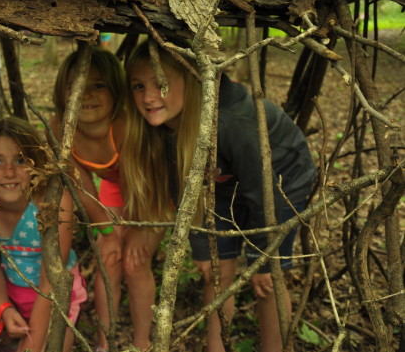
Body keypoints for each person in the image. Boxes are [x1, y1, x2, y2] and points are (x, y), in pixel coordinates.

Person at [123, 41, 316, 352]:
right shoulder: (166, 127)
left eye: (161, 84)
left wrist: (264, 259)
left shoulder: (235, 123)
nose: (148, 97)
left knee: (268, 281)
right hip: (221, 183)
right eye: (138, 86)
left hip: (280, 182)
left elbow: (263, 194)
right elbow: (183, 188)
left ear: (193, 78)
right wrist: (202, 246)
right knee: (216, 271)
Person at [0, 117, 86, 352]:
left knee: (52, 346)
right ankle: (7, 337)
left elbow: (50, 284)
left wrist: (30, 346)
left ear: (38, 164)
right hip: (11, 290)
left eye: (21, 160)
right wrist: (5, 308)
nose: (9, 172)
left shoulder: (52, 203)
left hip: (54, 299)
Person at [49, 47, 132, 351]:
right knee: (108, 255)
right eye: (76, 86)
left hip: (149, 188)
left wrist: (135, 231)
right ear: (62, 91)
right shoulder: (60, 128)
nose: (86, 94)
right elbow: (81, 183)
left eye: (98, 85)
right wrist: (107, 231)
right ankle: (104, 343)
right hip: (115, 185)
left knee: (136, 260)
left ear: (116, 90)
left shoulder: (125, 125)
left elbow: (145, 185)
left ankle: (145, 341)